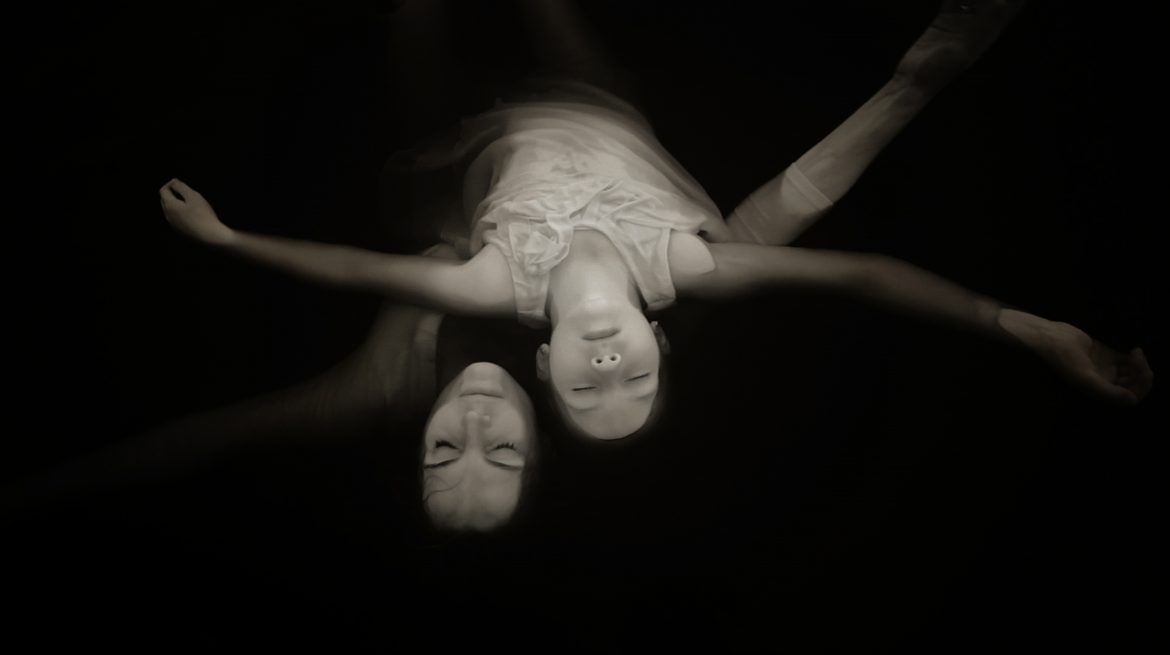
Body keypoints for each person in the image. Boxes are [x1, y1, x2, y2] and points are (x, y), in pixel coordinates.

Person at [158, 0, 1152, 442]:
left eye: (584, 387)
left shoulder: (497, 284)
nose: (604, 365)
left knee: (415, 42)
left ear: (544, 360)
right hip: (599, 103)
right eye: (631, 378)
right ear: (658, 342)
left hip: (462, 143)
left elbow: (356, 269)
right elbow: (859, 273)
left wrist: (230, 241)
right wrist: (1023, 326)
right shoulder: (686, 265)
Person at [9, 244, 544, 533]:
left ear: (417, 447)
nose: (474, 420)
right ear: (541, 449)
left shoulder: (376, 390)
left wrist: (28, 496)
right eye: (503, 449)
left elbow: (197, 440)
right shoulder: (583, 378)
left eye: (445, 448)